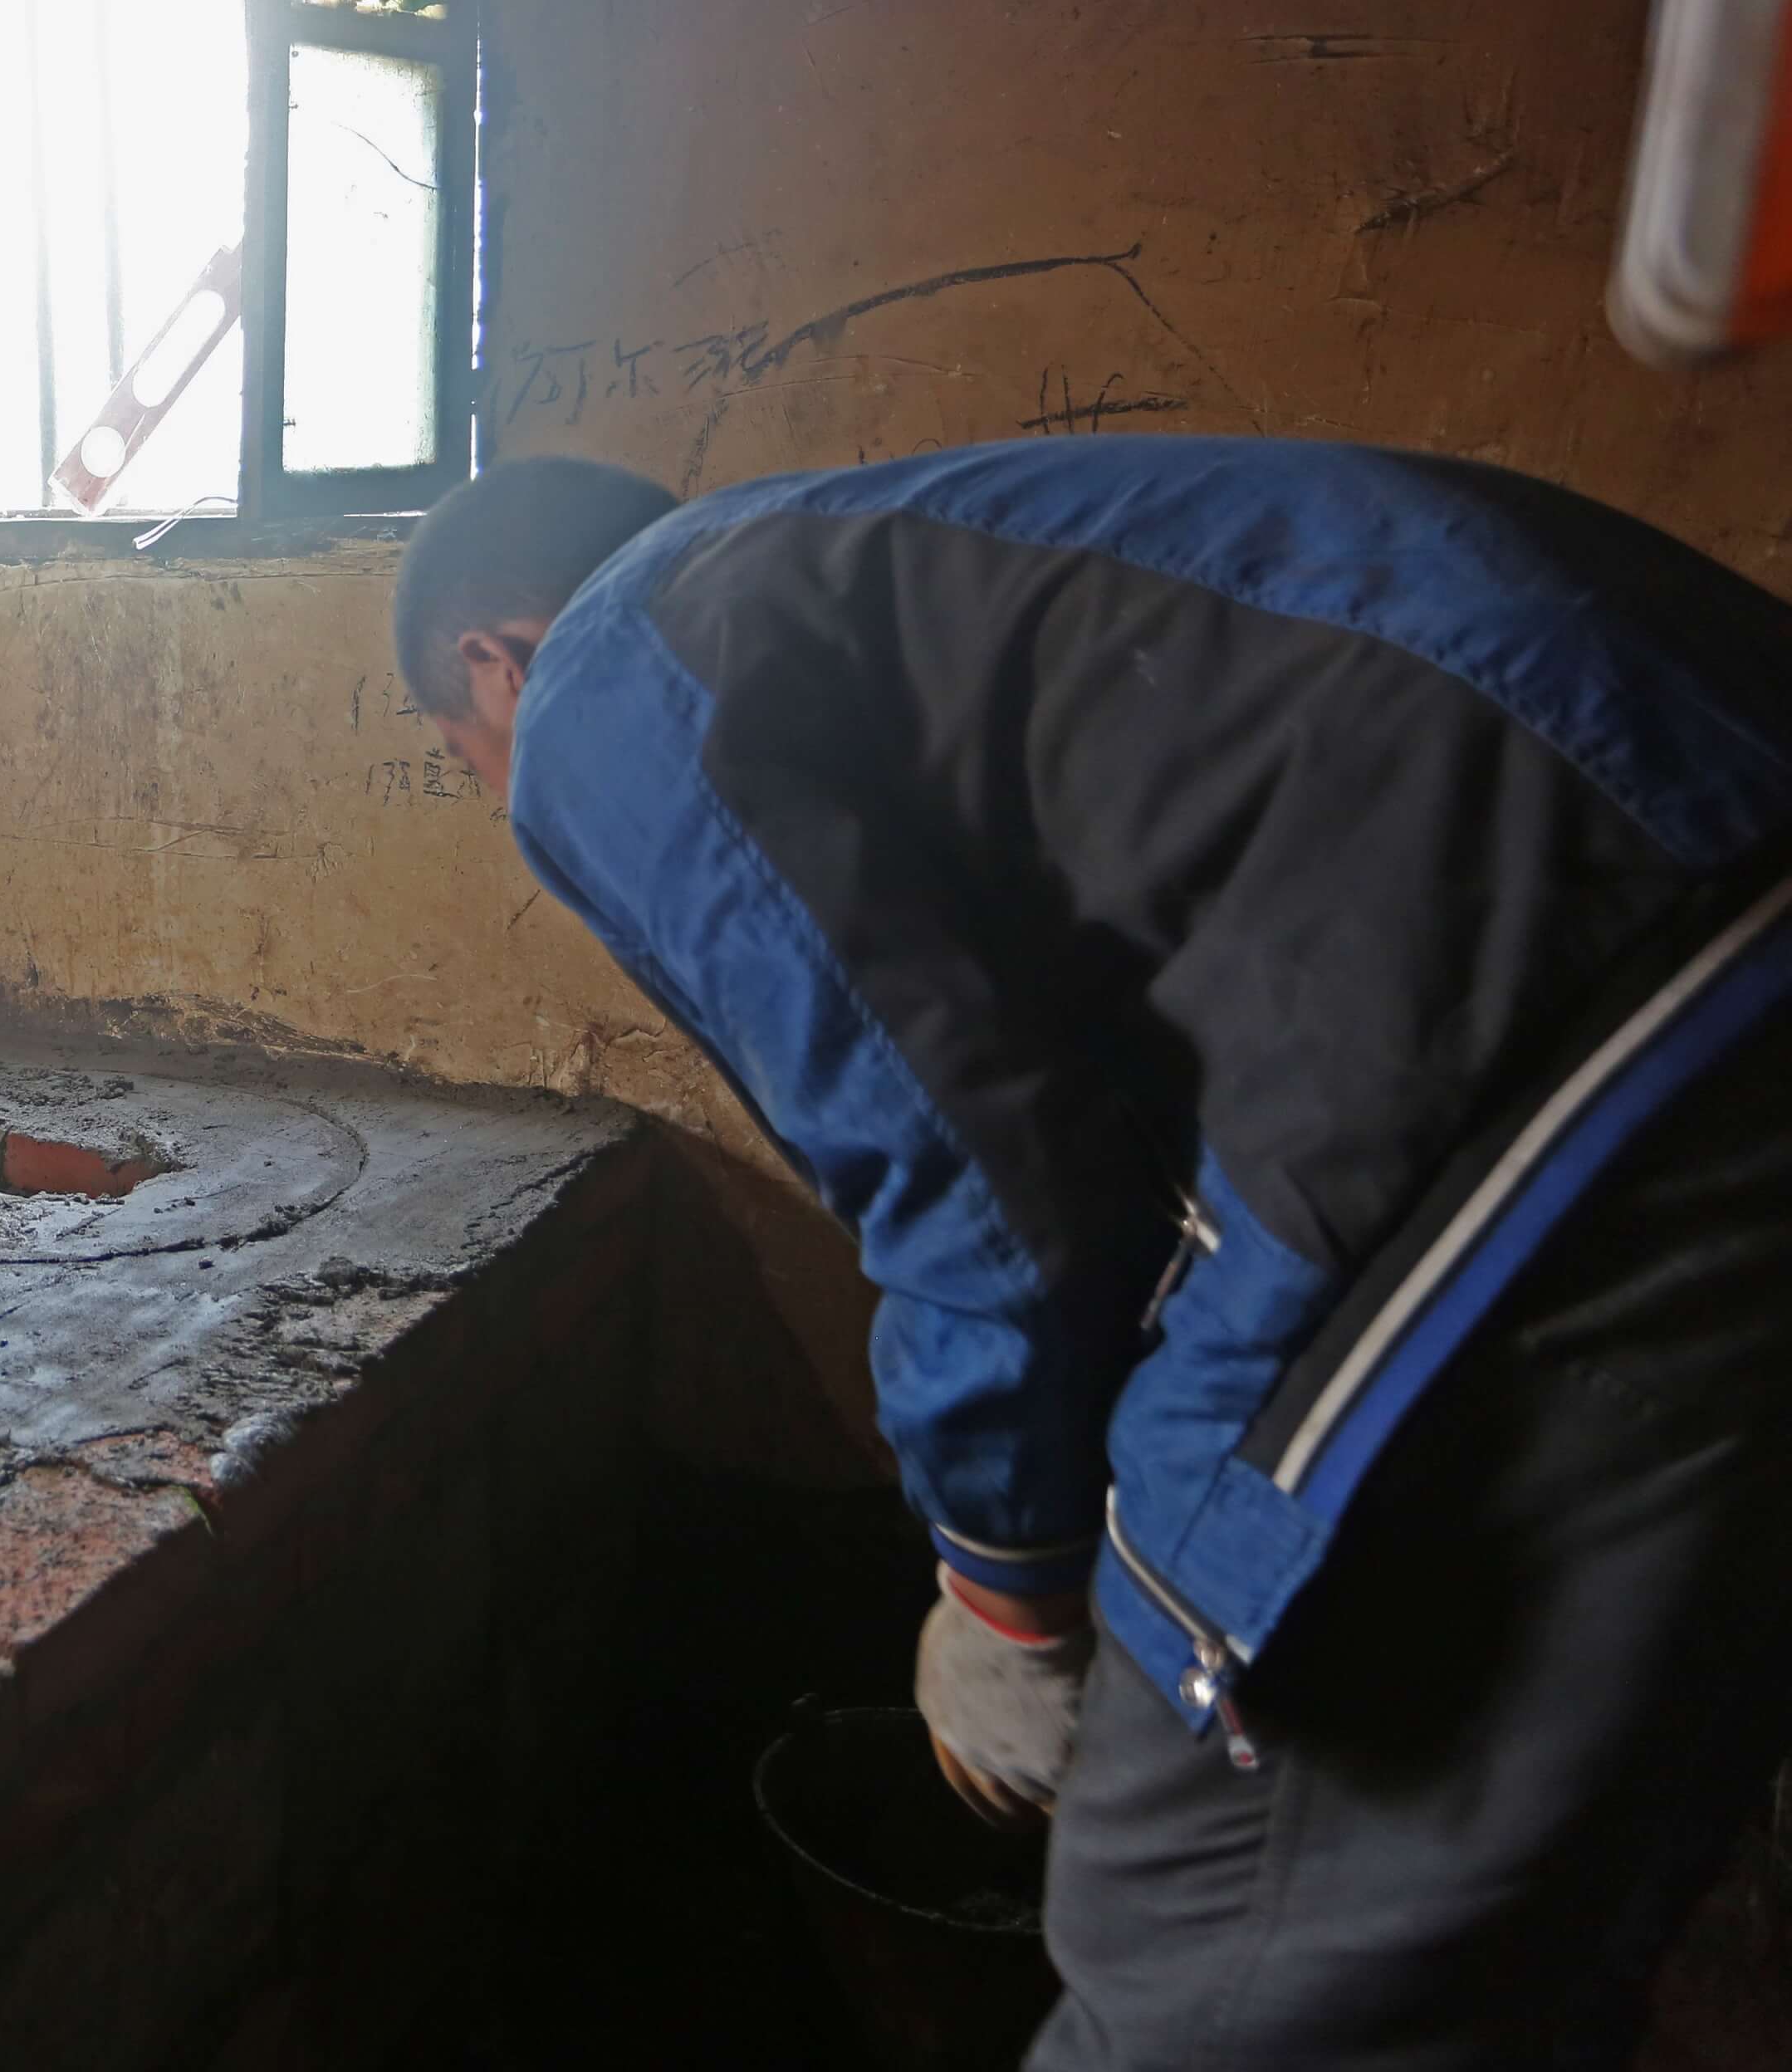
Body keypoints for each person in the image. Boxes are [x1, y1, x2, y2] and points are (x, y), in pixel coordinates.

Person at [390, 437, 1792, 2068]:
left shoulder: (611, 670)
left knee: (1205, 1935)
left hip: (1585, 994)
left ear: (498, 661)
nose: (502, 800)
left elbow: (980, 1188)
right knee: (1521, 1905)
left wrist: (1005, 1590)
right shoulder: (908, 572)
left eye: (457, 754)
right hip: (1667, 923)